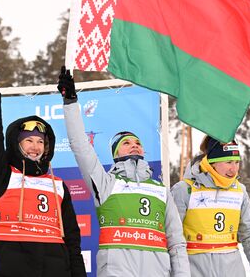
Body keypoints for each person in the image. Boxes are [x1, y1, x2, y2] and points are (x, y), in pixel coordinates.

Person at [0, 49, 86, 277]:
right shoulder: (2, 176)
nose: (35, 146)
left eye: (40, 141)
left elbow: (73, 242)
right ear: (16, 144)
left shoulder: (58, 186)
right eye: (28, 140)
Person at [57, 66, 190, 277]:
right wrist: (71, 104)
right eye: (126, 143)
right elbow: (81, 147)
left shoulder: (160, 190)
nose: (134, 145)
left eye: (137, 142)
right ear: (115, 153)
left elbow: (176, 242)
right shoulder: (106, 183)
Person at [170, 135, 250, 277]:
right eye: (228, 162)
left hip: (232, 270)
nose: (234, 169)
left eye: (237, 162)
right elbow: (172, 237)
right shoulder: (185, 189)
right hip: (195, 269)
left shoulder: (239, 191)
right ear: (212, 162)